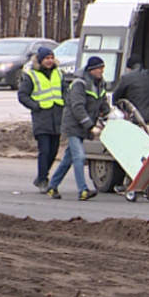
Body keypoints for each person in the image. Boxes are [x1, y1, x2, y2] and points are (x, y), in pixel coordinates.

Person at [48, 56, 111, 201]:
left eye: (103, 68)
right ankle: (83, 190)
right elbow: (77, 108)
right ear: (91, 70)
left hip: (83, 127)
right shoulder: (79, 84)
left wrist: (110, 116)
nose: (102, 71)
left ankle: (52, 186)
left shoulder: (100, 84)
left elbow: (102, 104)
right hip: (73, 126)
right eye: (99, 68)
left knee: (68, 159)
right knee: (79, 157)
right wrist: (91, 126)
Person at [17, 46, 65, 193]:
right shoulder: (31, 75)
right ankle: (43, 179)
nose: (49, 61)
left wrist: (67, 102)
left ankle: (40, 177)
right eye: (46, 58)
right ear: (40, 60)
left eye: (51, 58)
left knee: (54, 151)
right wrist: (35, 106)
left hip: (57, 117)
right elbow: (23, 95)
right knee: (44, 151)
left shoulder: (59, 73)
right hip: (41, 117)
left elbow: (65, 91)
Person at [113, 54, 149, 127]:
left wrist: (124, 110)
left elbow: (115, 98)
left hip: (136, 120)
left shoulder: (126, 78)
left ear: (129, 68)